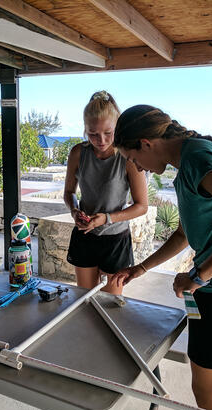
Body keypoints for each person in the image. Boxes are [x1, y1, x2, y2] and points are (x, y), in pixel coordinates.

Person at [112, 105, 212, 410]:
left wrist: (199, 275)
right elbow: (186, 233)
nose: (137, 167)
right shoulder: (191, 160)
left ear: (146, 143)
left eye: (132, 158)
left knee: (208, 397)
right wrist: (140, 268)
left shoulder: (197, 159)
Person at [63, 91, 148, 295]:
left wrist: (107, 218)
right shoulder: (78, 153)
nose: (100, 140)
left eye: (108, 133)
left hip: (116, 239)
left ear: (117, 128)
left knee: (112, 305)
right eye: (93, 134)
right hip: (85, 236)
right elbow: (68, 192)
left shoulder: (128, 158)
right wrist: (75, 211)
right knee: (83, 299)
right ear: (85, 130)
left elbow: (141, 206)